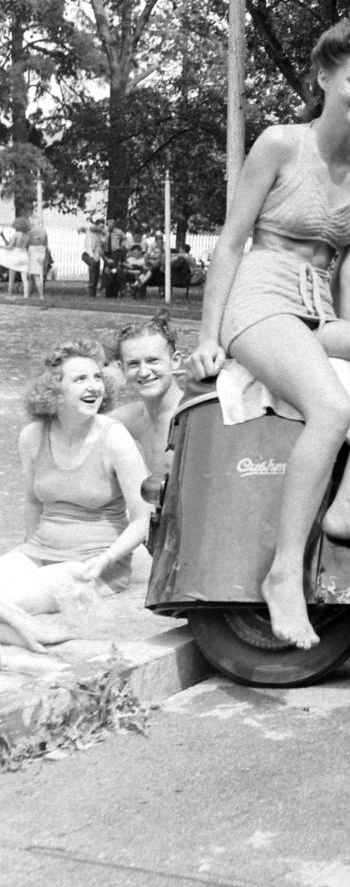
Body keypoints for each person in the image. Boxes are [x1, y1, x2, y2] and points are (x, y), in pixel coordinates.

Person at [186, 17, 350, 650]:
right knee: (328, 406)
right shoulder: (279, 144)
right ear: (323, 78)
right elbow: (231, 243)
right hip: (260, 297)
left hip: (319, 308)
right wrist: (210, 334)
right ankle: (284, 574)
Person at [0, 339, 150, 651]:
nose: (94, 387)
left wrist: (105, 559)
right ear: (54, 388)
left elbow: (143, 517)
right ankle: (20, 631)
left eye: (97, 377)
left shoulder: (114, 438)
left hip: (92, 565)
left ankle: (26, 632)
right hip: (40, 553)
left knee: (13, 597)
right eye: (80, 379)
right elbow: (32, 501)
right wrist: (29, 550)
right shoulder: (32, 437)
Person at [110, 314, 184, 476]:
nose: (144, 372)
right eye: (134, 364)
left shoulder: (195, 419)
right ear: (121, 368)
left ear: (175, 361)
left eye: (153, 361)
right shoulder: (120, 422)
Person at [6, 216, 30, 296]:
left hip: (16, 255)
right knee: (24, 278)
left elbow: (10, 247)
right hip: (24, 255)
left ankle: (9, 294)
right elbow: (27, 248)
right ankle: (26, 295)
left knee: (11, 276)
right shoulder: (27, 236)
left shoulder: (16, 234)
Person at [26, 213, 48, 299]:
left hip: (33, 254)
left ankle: (41, 296)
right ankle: (27, 295)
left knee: (35, 276)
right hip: (41, 253)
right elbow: (46, 246)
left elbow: (28, 244)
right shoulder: (44, 233)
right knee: (32, 276)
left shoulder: (31, 233)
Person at [82, 217, 104, 297]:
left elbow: (100, 247)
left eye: (103, 227)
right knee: (93, 264)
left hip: (96, 256)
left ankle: (92, 294)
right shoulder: (90, 229)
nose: (102, 229)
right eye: (101, 226)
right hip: (87, 254)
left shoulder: (100, 236)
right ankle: (90, 284)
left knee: (96, 275)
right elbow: (92, 227)